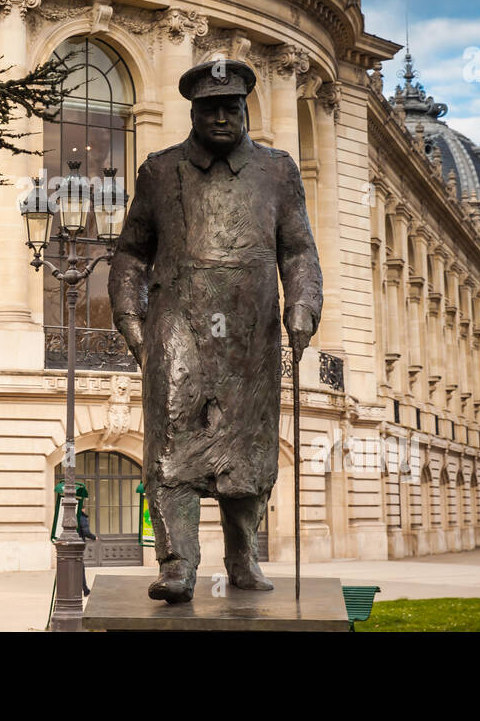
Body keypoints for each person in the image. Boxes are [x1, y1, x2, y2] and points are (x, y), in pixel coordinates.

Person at [108, 59, 323, 604]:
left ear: (246, 109)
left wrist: (302, 305)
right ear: (193, 112)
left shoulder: (278, 170)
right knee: (173, 443)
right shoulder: (160, 171)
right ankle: (177, 563)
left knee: (249, 447)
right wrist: (133, 324)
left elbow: (298, 249)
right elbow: (131, 254)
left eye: (232, 108)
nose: (222, 118)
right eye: (210, 109)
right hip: (177, 326)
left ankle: (243, 557)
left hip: (251, 333)